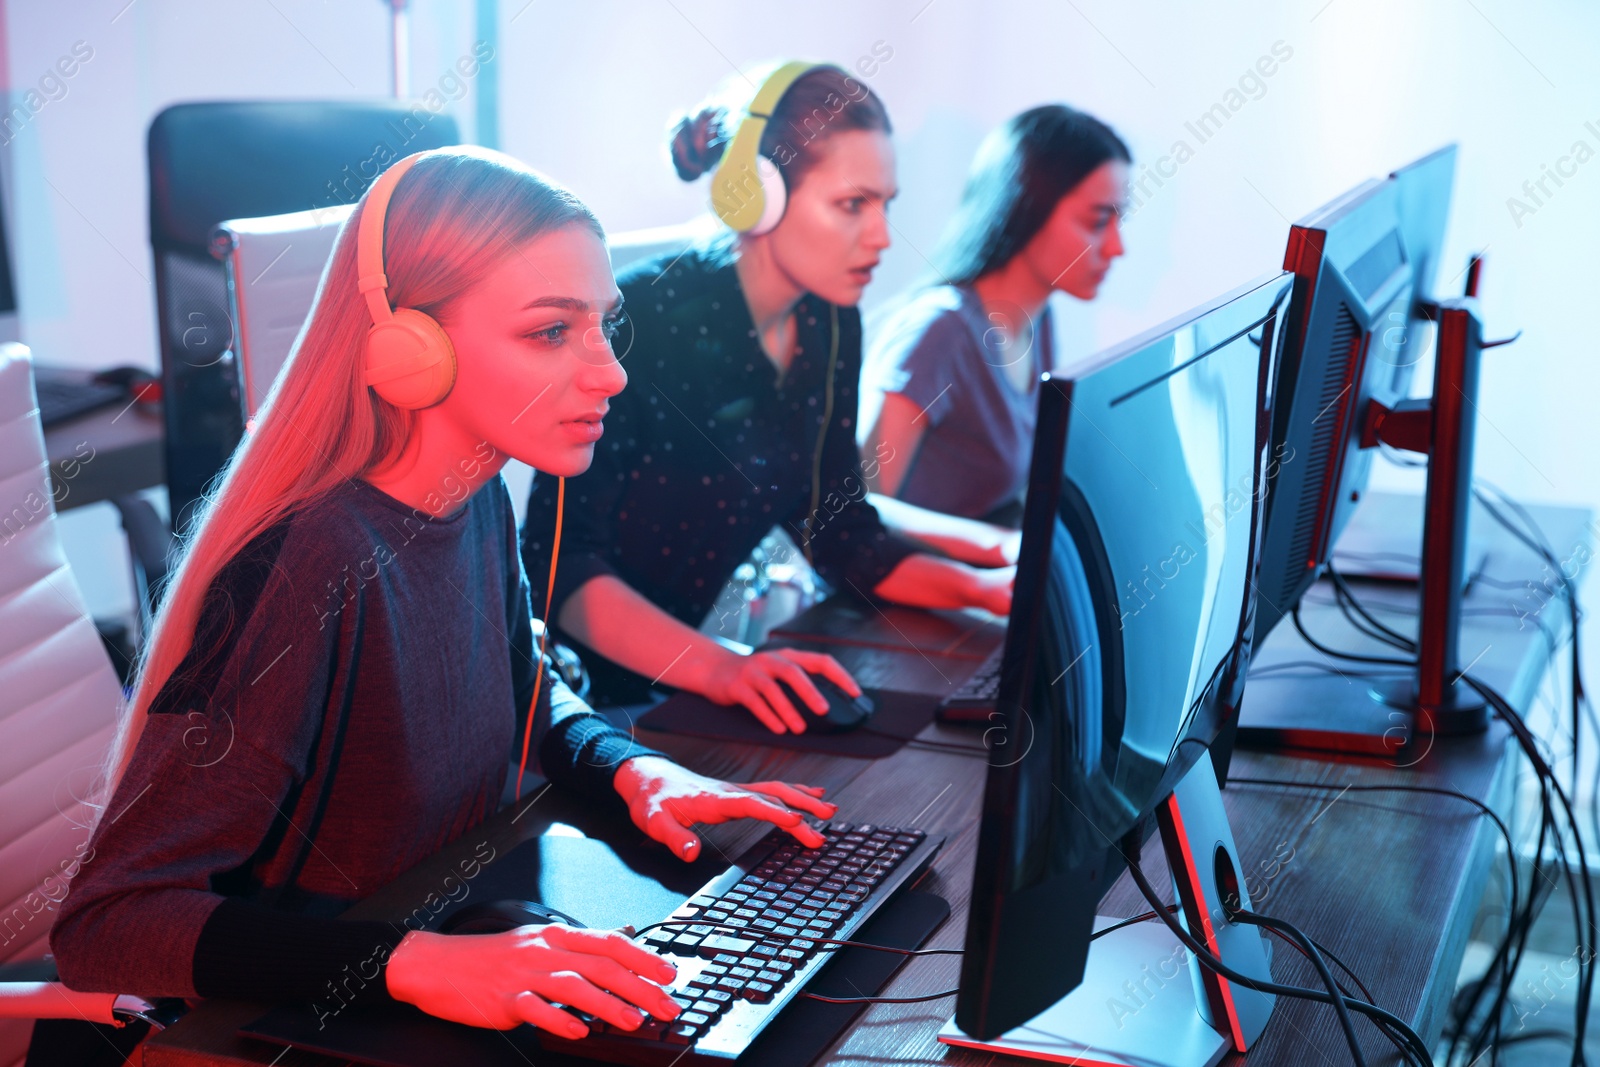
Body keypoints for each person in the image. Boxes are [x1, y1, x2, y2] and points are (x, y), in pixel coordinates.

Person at [47, 147, 838, 1052]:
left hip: (441, 941)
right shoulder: (312, 562)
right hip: (290, 1027)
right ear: (411, 351)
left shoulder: (474, 498)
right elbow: (106, 924)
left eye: (600, 327)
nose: (608, 373)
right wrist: (420, 962)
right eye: (551, 332)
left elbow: (522, 678)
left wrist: (631, 768)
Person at [521, 62, 1016, 734]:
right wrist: (724, 668)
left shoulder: (830, 322)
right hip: (579, 712)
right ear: (757, 194)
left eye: (886, 204)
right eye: (853, 204)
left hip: (692, 687)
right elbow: (562, 568)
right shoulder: (636, 320)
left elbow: (835, 527)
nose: (881, 236)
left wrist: (990, 592)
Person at [859, 104, 1130, 528]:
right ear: (1027, 205)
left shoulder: (1038, 321)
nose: (1117, 247)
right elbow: (862, 511)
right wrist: (1000, 551)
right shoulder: (938, 334)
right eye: (1098, 221)